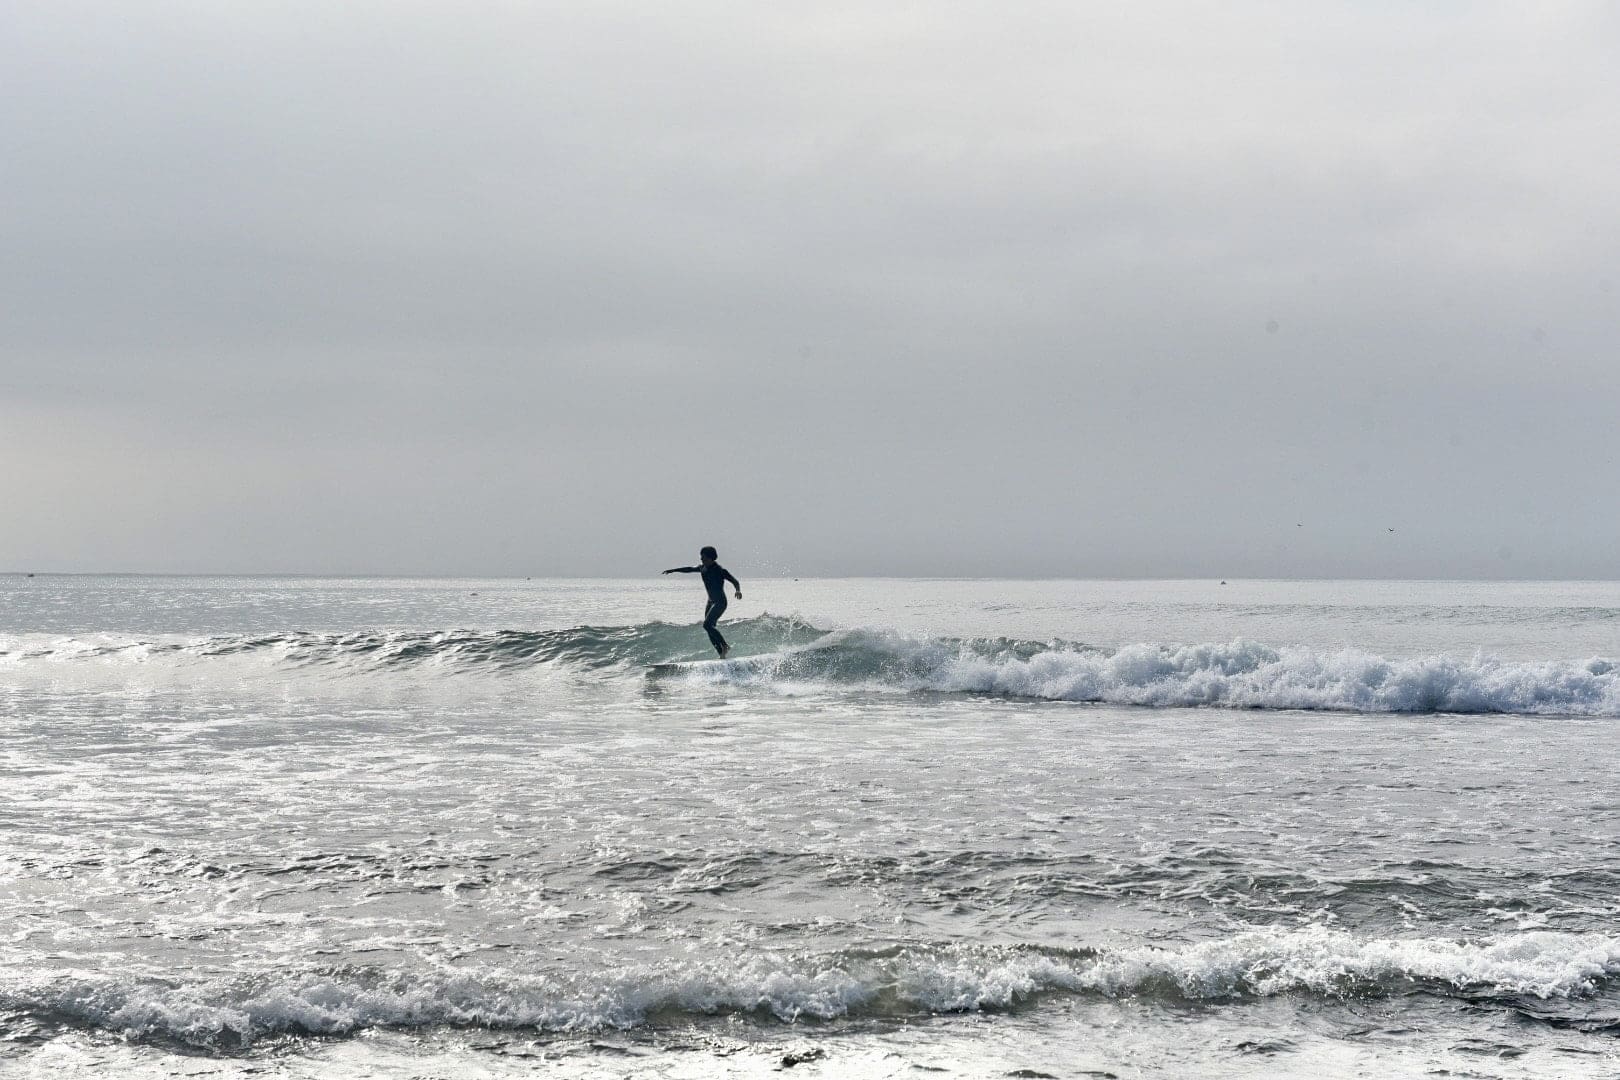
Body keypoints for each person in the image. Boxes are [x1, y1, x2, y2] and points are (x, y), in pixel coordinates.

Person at [662, 546, 742, 657]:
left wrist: (738, 590)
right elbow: (689, 569)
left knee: (707, 625)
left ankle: (725, 646)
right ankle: (721, 654)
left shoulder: (720, 570)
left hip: (720, 602)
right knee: (709, 628)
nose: (701, 559)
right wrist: (674, 570)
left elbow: (735, 581)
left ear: (711, 558)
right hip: (710, 602)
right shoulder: (702, 568)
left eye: (703, 557)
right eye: (701, 557)